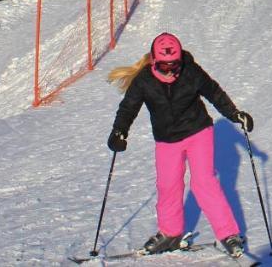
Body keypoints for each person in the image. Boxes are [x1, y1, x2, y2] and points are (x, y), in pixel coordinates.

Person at [106, 33, 253, 257]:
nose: (170, 70)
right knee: (168, 185)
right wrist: (120, 131)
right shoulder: (144, 80)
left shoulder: (190, 71)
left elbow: (214, 92)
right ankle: (170, 233)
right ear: (155, 61)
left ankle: (228, 234)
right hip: (166, 140)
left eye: (174, 65)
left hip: (198, 131)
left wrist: (235, 114)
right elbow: (128, 107)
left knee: (203, 182)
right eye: (165, 66)